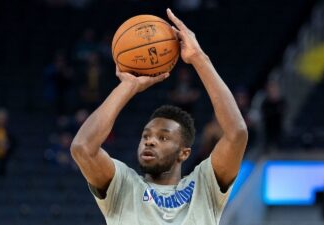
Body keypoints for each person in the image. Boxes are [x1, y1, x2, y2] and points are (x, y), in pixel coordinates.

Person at [71, 8, 248, 225]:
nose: (150, 141)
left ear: (184, 153)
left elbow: (237, 133)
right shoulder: (123, 186)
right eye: (146, 136)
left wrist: (199, 59)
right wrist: (128, 86)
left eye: (163, 137)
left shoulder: (205, 186)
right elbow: (82, 148)